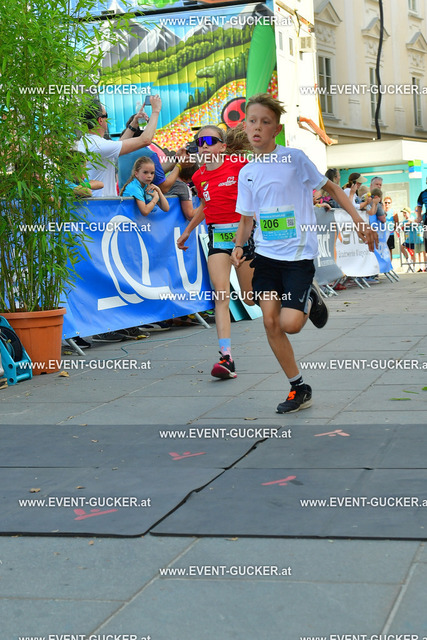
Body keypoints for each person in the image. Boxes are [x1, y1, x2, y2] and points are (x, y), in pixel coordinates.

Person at [231, 93, 377, 413]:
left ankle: (310, 296)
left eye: (265, 122)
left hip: (297, 256)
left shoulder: (294, 159)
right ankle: (299, 388)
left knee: (291, 324)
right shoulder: (247, 172)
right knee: (270, 321)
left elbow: (332, 188)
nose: (257, 127)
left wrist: (359, 222)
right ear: (245, 126)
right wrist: (239, 246)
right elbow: (246, 218)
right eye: (252, 121)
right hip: (266, 256)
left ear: (276, 129)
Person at [176, 125, 255, 380]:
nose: (204, 146)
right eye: (199, 142)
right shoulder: (199, 177)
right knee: (221, 295)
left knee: (250, 298)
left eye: (210, 140)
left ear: (222, 145)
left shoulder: (239, 165)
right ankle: (226, 357)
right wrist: (188, 231)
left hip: (243, 236)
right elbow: (205, 205)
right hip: (218, 237)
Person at [78, 96, 162, 197]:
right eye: (106, 115)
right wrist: (156, 111)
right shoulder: (99, 145)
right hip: (101, 202)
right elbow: (145, 140)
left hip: (94, 201)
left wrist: (133, 124)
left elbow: (117, 146)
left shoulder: (87, 141)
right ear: (100, 120)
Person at [383, 196, 399, 261]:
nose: (387, 204)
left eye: (389, 203)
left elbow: (396, 223)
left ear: (391, 204)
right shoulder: (381, 212)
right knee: (383, 250)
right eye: (386, 202)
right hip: (382, 234)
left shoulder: (393, 212)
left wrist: (392, 230)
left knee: (389, 250)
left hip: (390, 234)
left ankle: (389, 265)